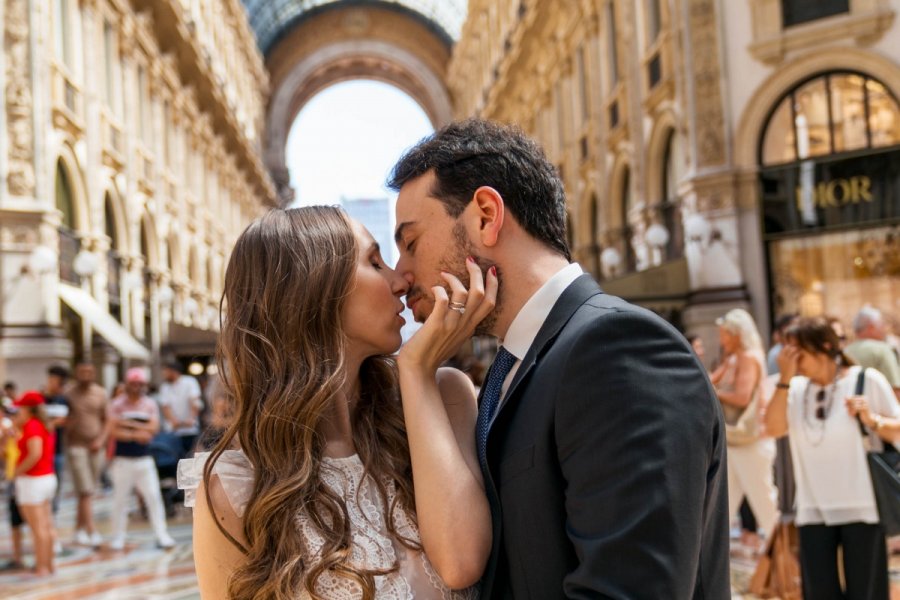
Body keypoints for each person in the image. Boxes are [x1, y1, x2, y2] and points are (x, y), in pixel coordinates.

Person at [388, 118, 729, 598]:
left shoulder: (616, 349)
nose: (402, 274)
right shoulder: (521, 364)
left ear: (486, 215)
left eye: (411, 243)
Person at [179, 207, 496, 598]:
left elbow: (461, 563)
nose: (400, 280)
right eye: (374, 262)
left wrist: (415, 371)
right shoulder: (236, 485)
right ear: (314, 292)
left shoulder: (444, 395)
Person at [765, 316, 900, 600]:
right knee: (819, 594)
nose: (792, 359)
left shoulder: (866, 379)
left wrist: (870, 418)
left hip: (863, 506)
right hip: (813, 508)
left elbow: (897, 428)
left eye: (798, 351)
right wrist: (785, 379)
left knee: (867, 593)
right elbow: (773, 428)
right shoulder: (795, 388)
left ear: (825, 346)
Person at [709, 309, 779, 550]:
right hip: (735, 441)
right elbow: (708, 380)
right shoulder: (732, 358)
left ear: (737, 334)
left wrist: (714, 393)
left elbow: (741, 397)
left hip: (751, 440)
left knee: (764, 502)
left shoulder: (749, 357)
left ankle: (785, 558)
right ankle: (708, 559)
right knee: (722, 505)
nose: (721, 340)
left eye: (724, 334)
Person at [106, 367, 176, 551]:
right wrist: (138, 431)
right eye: (132, 383)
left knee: (153, 497)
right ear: (127, 384)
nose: (136, 387)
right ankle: (118, 536)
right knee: (120, 500)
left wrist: (127, 425)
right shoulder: (117, 404)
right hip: (123, 459)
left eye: (139, 383)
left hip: (144, 458)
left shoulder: (149, 404)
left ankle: (162, 534)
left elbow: (153, 429)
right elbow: (113, 430)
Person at [10, 390, 58, 576]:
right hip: (46, 478)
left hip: (33, 480)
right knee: (46, 525)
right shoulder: (42, 424)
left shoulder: (32, 426)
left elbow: (35, 453)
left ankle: (42, 566)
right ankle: (49, 564)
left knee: (38, 528)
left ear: (28, 409)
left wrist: (16, 471)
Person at [65, 362, 108, 547]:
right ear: (76, 373)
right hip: (76, 446)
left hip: (96, 447)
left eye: (89, 371)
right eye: (82, 371)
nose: (85, 374)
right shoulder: (69, 393)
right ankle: (91, 529)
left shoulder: (100, 393)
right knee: (86, 490)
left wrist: (100, 440)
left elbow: (107, 420)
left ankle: (78, 529)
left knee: (88, 490)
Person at [845, 306, 900, 399]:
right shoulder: (883, 350)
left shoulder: (846, 351)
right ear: (871, 327)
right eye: (882, 325)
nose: (884, 329)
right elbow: (896, 390)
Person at [159, 362, 203, 457]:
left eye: (165, 372)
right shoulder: (165, 387)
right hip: (172, 430)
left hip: (189, 429)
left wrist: (191, 419)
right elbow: (165, 406)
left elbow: (195, 401)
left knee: (189, 457)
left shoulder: (189, 381)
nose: (164, 374)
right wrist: (174, 421)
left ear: (173, 371)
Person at [1, 403, 25, 570]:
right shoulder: (10, 434)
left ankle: (44, 557)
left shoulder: (26, 433)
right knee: (15, 520)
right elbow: (3, 454)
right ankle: (17, 557)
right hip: (12, 480)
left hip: (25, 480)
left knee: (32, 519)